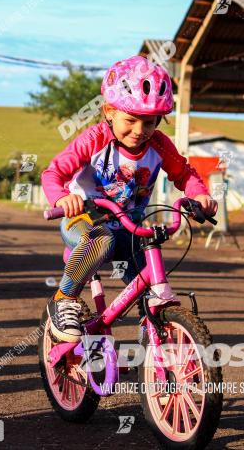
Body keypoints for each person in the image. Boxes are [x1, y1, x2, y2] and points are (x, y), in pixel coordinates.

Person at [41, 55, 217, 343]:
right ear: (109, 111)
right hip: (85, 220)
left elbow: (184, 174)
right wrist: (63, 198)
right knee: (102, 240)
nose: (139, 130)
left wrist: (199, 195)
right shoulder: (94, 140)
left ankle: (155, 335)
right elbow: (53, 172)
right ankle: (63, 300)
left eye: (149, 122)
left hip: (132, 226)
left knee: (151, 278)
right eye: (130, 119)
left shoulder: (159, 145)